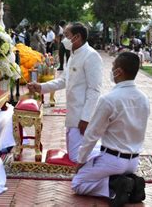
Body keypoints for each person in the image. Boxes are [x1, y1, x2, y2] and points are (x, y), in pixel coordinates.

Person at [72, 52, 150, 206]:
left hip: (113, 161)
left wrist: (80, 161)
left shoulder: (109, 99)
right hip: (133, 161)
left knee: (78, 183)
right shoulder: (144, 99)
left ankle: (113, 186)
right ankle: (132, 184)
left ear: (119, 72)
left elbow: (92, 134)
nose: (111, 70)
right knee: (94, 154)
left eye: (113, 66)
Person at [28, 22, 103, 162]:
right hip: (72, 115)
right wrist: (41, 87)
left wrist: (86, 118)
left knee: (76, 157)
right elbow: (64, 81)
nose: (63, 39)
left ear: (77, 37)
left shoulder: (91, 56)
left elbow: (94, 90)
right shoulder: (74, 54)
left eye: (66, 35)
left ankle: (110, 154)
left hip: (83, 116)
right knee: (74, 155)